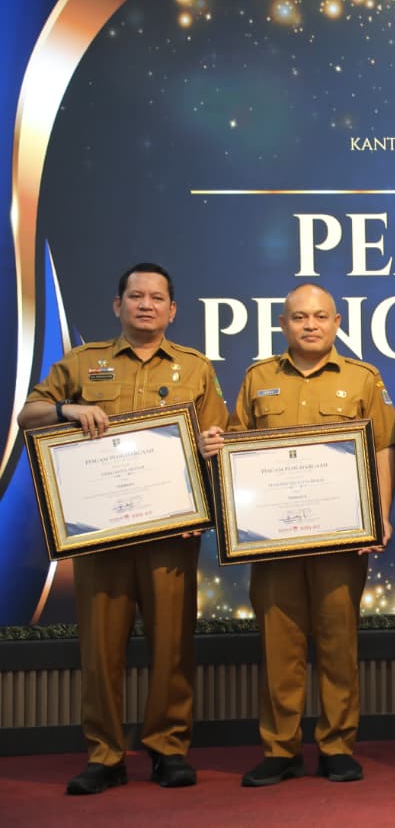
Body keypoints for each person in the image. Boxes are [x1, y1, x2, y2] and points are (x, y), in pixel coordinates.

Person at [19, 263, 228, 795]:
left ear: (171, 310)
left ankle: (168, 749)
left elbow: (218, 439)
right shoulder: (82, 363)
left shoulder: (195, 368)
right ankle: (105, 755)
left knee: (172, 646)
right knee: (100, 649)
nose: (146, 305)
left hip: (170, 537)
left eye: (157, 298)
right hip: (102, 537)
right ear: (118, 305)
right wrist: (68, 409)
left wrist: (210, 449)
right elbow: (28, 415)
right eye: (136, 296)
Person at [199, 283, 395, 787]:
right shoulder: (259, 377)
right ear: (283, 324)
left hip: (341, 538)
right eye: (300, 317)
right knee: (278, 645)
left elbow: (381, 449)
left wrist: (380, 515)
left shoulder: (362, 378)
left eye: (320, 316)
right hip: (274, 541)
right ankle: (280, 748)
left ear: (336, 323)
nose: (311, 325)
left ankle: (337, 746)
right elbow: (237, 447)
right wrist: (219, 449)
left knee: (338, 642)